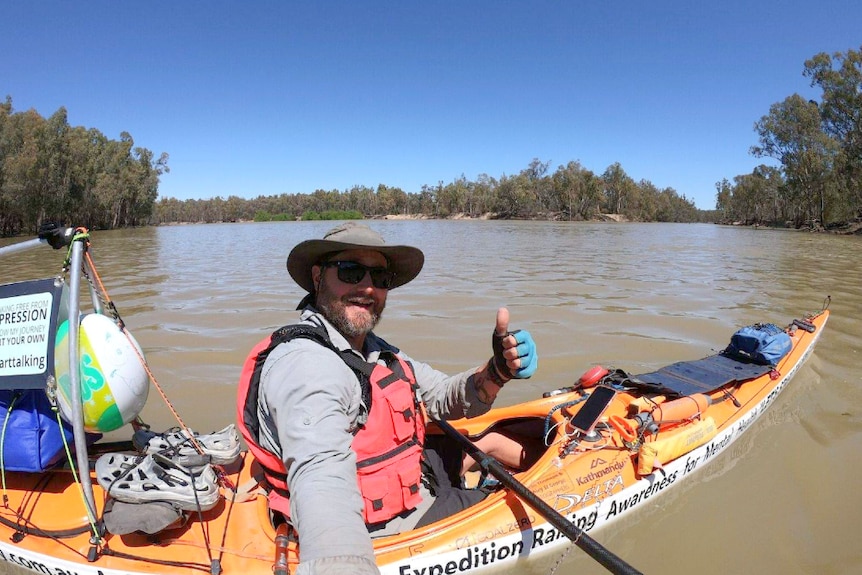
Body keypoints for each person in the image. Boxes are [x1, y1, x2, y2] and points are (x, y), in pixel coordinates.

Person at [237, 222, 539, 575]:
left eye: (380, 277)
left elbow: (442, 398)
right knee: (523, 504)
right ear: (318, 277)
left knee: (491, 442)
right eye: (351, 271)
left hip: (406, 476)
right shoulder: (308, 365)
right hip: (383, 525)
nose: (367, 287)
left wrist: (496, 372)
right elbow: (321, 476)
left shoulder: (373, 350)